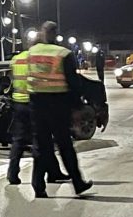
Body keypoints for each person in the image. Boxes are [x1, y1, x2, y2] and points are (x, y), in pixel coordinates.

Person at [27, 21, 93, 198]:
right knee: (65, 145)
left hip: (36, 103)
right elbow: (73, 83)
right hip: (58, 104)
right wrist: (78, 105)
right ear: (56, 34)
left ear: (42, 33)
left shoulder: (32, 52)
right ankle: (78, 183)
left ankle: (38, 186)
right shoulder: (63, 53)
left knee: (41, 145)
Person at [7, 45, 69, 185]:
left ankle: (12, 173)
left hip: (18, 101)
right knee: (42, 140)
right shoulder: (34, 59)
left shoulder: (16, 59)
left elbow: (12, 78)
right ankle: (50, 174)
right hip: (34, 102)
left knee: (18, 140)